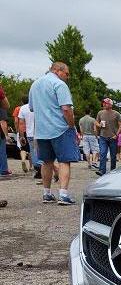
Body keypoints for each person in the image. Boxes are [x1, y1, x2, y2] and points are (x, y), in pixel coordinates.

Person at [27, 61, 79, 205]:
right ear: (57, 70)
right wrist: (71, 126)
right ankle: (63, 195)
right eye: (66, 74)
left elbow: (31, 108)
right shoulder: (60, 85)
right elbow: (66, 109)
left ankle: (47, 193)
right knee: (64, 161)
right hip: (60, 128)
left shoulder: (35, 84)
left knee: (46, 162)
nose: (67, 77)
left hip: (41, 131)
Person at [17, 96, 41, 183]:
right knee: (42, 151)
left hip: (30, 133)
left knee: (33, 152)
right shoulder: (38, 105)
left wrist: (21, 135)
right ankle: (50, 168)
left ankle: (38, 170)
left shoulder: (23, 108)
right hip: (41, 132)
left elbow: (21, 123)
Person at [95, 97, 121, 175]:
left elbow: (120, 126)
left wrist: (116, 135)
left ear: (110, 104)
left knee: (113, 156)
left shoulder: (116, 114)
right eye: (103, 103)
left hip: (113, 137)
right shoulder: (100, 113)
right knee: (102, 153)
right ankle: (102, 170)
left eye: (106, 103)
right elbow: (96, 122)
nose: (104, 104)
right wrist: (99, 125)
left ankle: (113, 171)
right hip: (103, 137)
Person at [0, 84, 10, 177]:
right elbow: (3, 121)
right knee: (2, 150)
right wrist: (6, 136)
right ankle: (4, 169)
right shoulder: (2, 107)